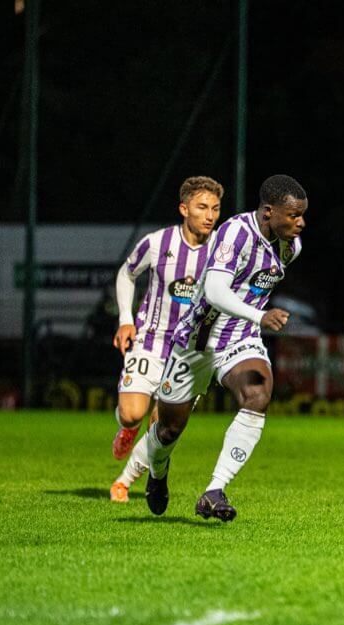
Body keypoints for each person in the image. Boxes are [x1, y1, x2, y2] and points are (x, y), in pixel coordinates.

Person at [131, 174, 307, 521]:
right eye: (293, 215)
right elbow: (214, 291)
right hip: (196, 341)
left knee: (258, 394)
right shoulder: (235, 233)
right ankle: (158, 471)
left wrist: (253, 321)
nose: (300, 223)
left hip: (240, 339)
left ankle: (214, 490)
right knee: (168, 430)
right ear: (268, 212)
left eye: (302, 215)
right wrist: (260, 315)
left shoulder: (290, 247)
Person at [109, 176, 223, 502]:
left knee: (162, 427)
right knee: (133, 414)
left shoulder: (222, 251)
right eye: (202, 207)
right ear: (184, 209)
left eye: (215, 208)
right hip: (151, 341)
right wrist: (125, 320)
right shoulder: (157, 243)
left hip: (191, 353)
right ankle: (127, 428)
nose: (210, 216)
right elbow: (127, 273)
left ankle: (124, 481)